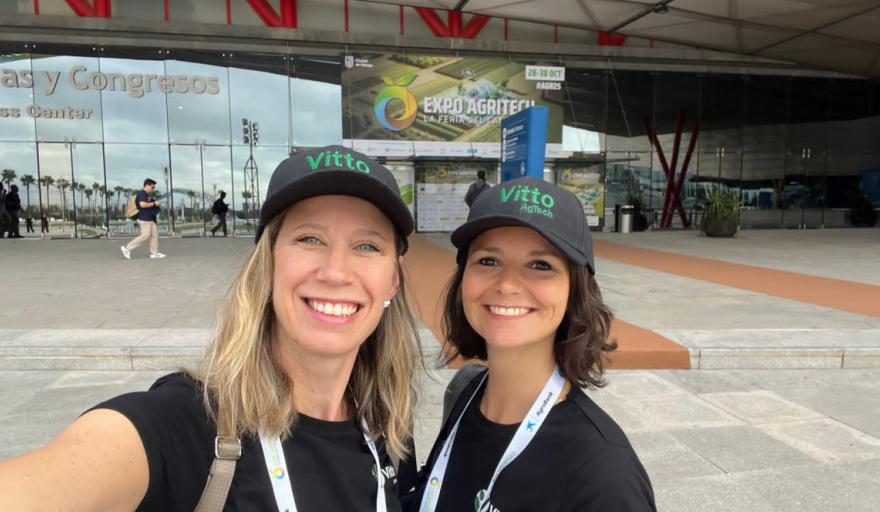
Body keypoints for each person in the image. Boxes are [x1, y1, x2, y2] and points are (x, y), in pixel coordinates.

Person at [0, 145, 421, 511]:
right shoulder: (187, 425)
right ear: (268, 263)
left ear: (393, 279)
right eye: (309, 238)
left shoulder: (386, 430)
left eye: (368, 245)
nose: (335, 271)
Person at [411, 177, 656, 511]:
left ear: (574, 290)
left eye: (540, 265)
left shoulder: (604, 474)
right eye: (488, 261)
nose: (507, 285)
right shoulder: (466, 394)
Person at [121, 178, 165, 259]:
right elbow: (142, 204)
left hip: (150, 219)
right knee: (145, 236)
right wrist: (154, 203)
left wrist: (154, 204)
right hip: (144, 219)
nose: (153, 189)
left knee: (154, 235)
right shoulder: (142, 194)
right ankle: (127, 248)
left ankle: (154, 253)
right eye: (152, 187)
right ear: (147, 185)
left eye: (154, 187)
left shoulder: (147, 195)